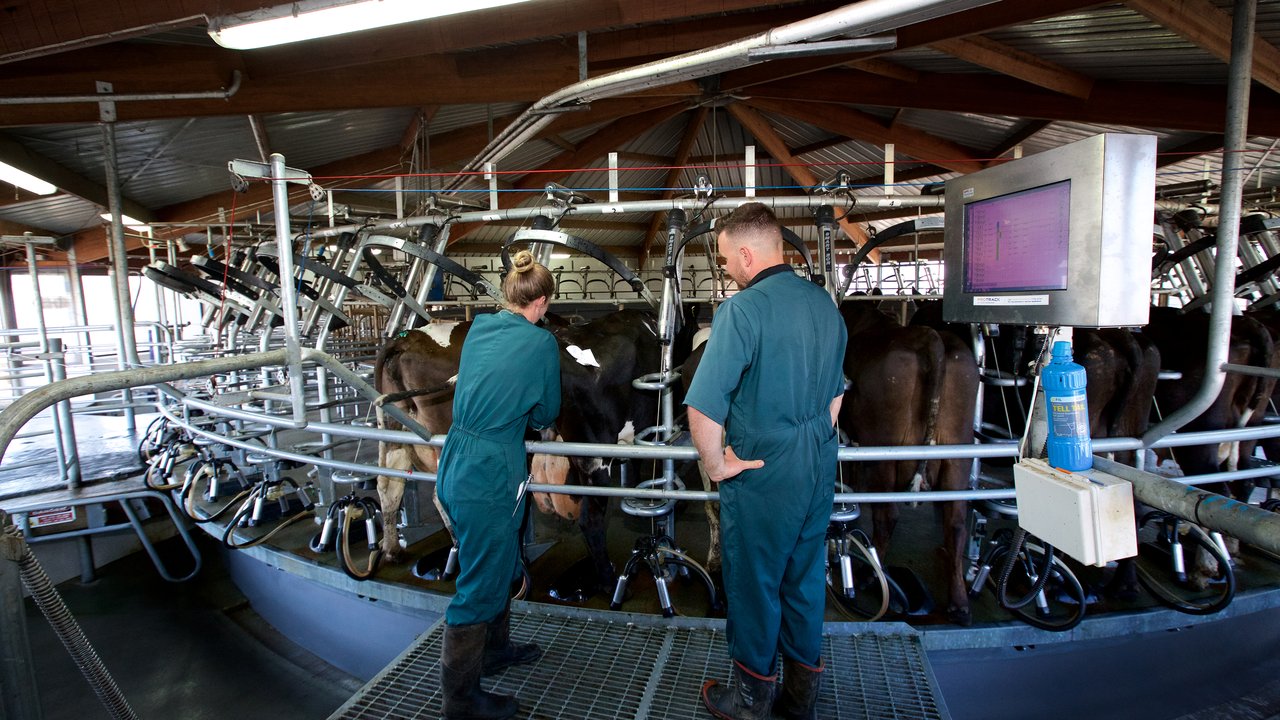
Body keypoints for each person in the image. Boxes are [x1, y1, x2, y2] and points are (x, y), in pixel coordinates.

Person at [685, 203, 847, 720]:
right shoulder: (825, 304)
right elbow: (836, 398)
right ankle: (802, 699)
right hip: (817, 465)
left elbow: (703, 407)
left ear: (748, 254)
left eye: (727, 258)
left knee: (754, 583)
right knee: (802, 578)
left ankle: (750, 700)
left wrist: (716, 466)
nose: (727, 267)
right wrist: (814, 439)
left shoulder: (741, 310)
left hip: (762, 471)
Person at [435, 250, 560, 720]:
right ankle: (461, 702)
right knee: (479, 585)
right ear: (541, 302)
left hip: (456, 458)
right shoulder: (541, 343)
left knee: (499, 560)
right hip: (490, 470)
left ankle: (495, 650)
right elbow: (546, 414)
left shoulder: (479, 329)